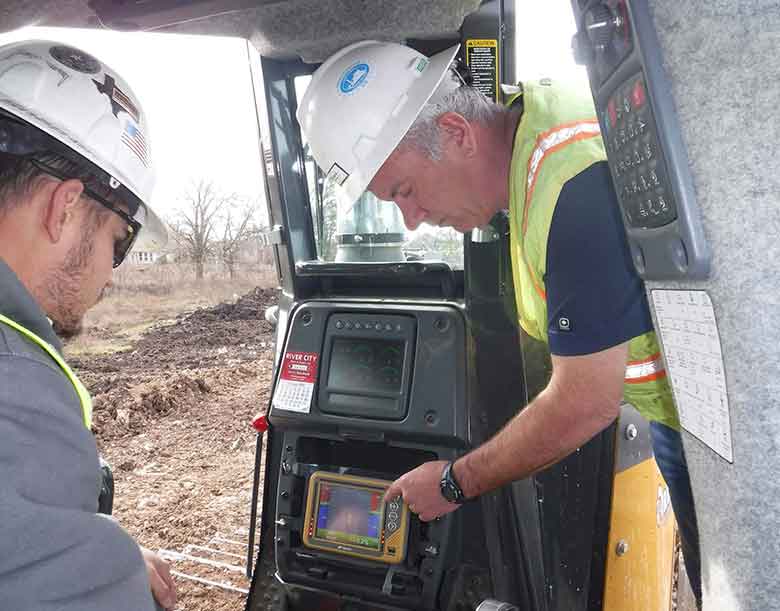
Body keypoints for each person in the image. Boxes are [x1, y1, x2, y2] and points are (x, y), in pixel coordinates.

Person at [297, 40, 702, 607]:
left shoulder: (570, 187)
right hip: (683, 406)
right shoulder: (534, 131)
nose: (411, 222)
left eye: (405, 192)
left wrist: (452, 481)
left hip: (714, 418)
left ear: (458, 133)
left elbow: (585, 401)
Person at [0, 41, 176, 610]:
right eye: (118, 242)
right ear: (65, 208)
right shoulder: (16, 384)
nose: (109, 273)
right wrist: (107, 573)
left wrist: (89, 549)